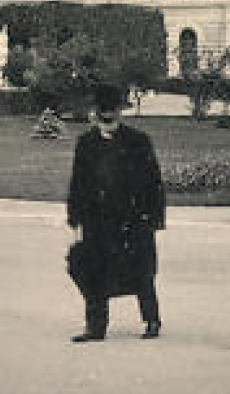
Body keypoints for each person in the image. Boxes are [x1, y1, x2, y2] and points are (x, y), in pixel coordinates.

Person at [65, 84, 166, 342]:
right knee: (94, 269)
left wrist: (152, 218)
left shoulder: (138, 142)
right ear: (95, 114)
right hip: (97, 219)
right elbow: (78, 183)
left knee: (141, 270)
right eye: (103, 115)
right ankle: (96, 326)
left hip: (132, 218)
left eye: (112, 115)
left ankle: (152, 320)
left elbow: (154, 182)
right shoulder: (85, 143)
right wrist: (75, 219)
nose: (108, 121)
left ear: (120, 113)